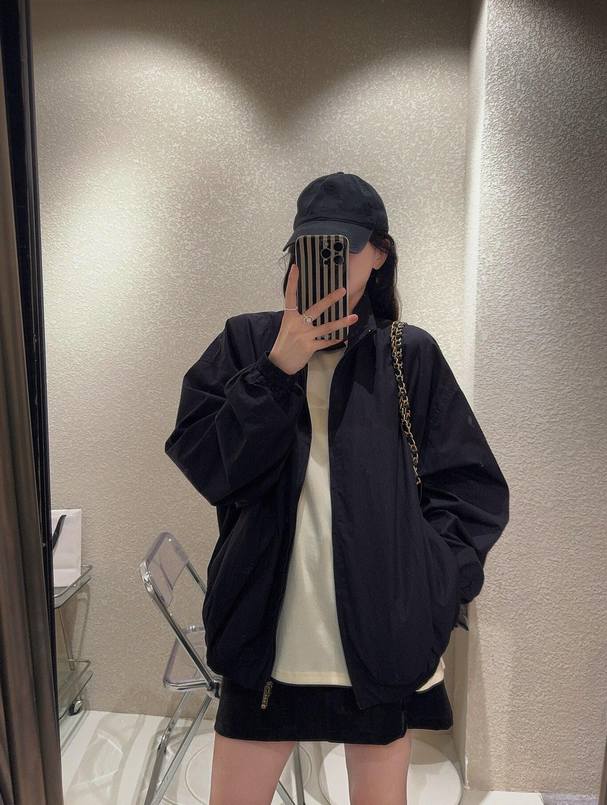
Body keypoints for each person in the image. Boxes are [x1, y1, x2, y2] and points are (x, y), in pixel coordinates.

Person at [165, 172, 510, 805]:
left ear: (379, 254)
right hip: (264, 642)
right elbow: (211, 467)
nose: (327, 263)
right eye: (311, 247)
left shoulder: (409, 355)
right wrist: (278, 370)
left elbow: (471, 487)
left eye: (344, 248)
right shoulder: (248, 342)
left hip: (379, 642)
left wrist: (434, 584)